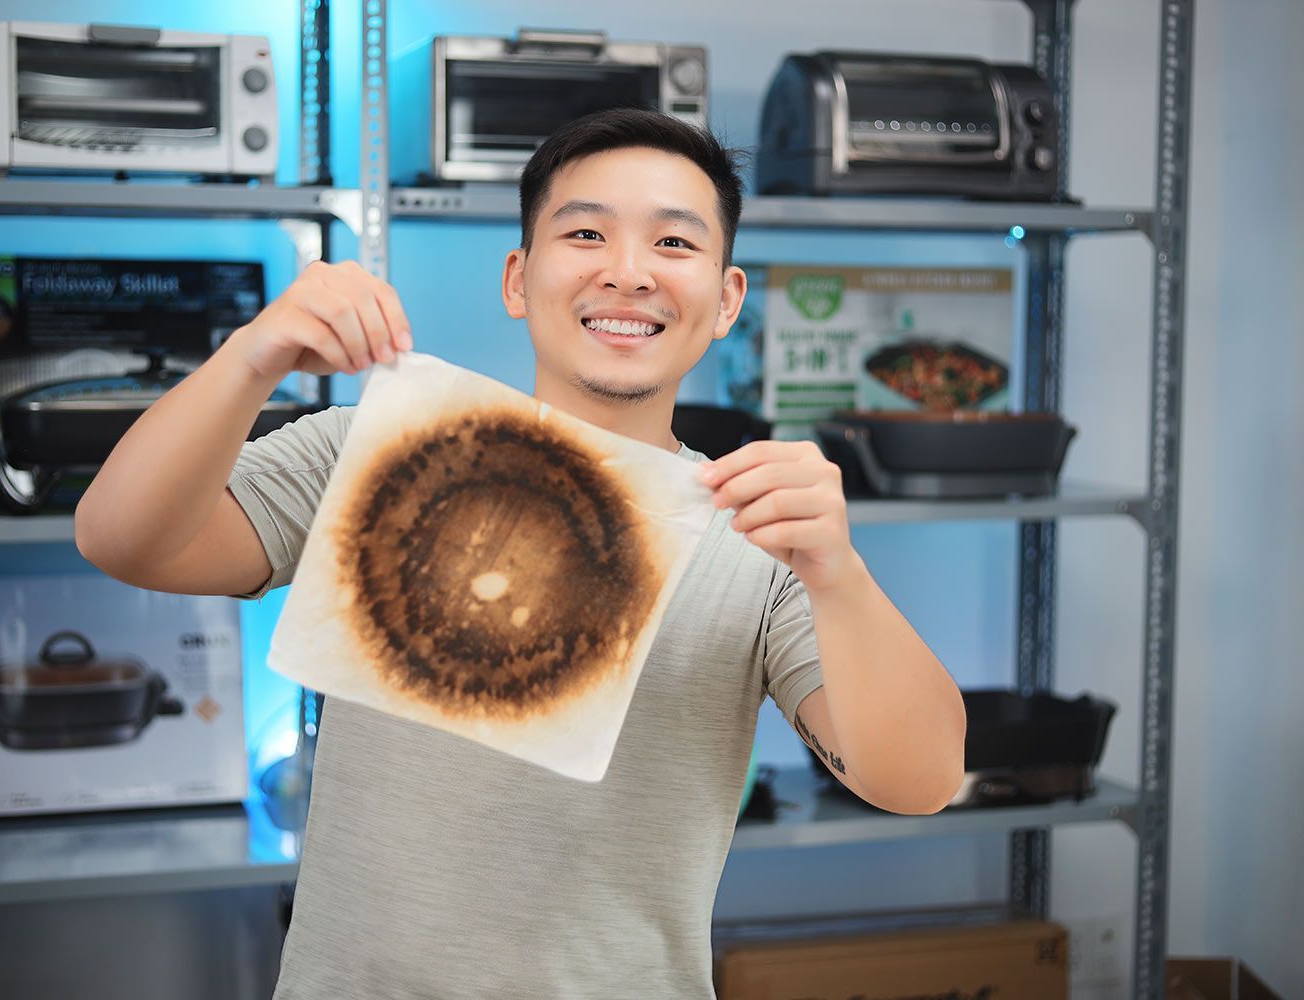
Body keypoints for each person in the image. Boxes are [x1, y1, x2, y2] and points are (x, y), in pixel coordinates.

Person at [75, 108, 966, 1000]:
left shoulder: (758, 533)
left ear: (726, 299)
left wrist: (838, 576)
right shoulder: (376, 451)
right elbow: (123, 540)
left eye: (673, 244)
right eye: (585, 233)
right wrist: (251, 357)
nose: (627, 273)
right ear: (518, 276)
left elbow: (918, 782)